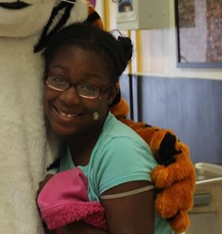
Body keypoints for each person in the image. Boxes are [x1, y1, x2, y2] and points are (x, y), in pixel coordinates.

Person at [37, 22, 173, 234]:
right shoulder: (68, 141)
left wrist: (59, 210)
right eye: (58, 79)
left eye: (89, 88)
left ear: (109, 95)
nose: (69, 98)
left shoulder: (120, 152)